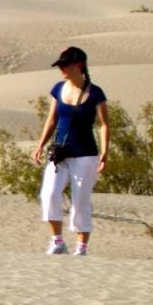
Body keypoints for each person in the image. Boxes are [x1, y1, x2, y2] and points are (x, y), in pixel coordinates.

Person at [31, 46, 108, 255]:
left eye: (65, 65)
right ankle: (57, 241)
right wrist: (40, 145)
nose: (62, 68)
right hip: (60, 154)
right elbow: (52, 120)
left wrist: (105, 152)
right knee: (49, 193)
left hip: (85, 154)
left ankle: (81, 247)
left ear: (79, 65)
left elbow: (104, 124)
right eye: (60, 65)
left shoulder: (95, 93)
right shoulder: (58, 88)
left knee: (80, 199)